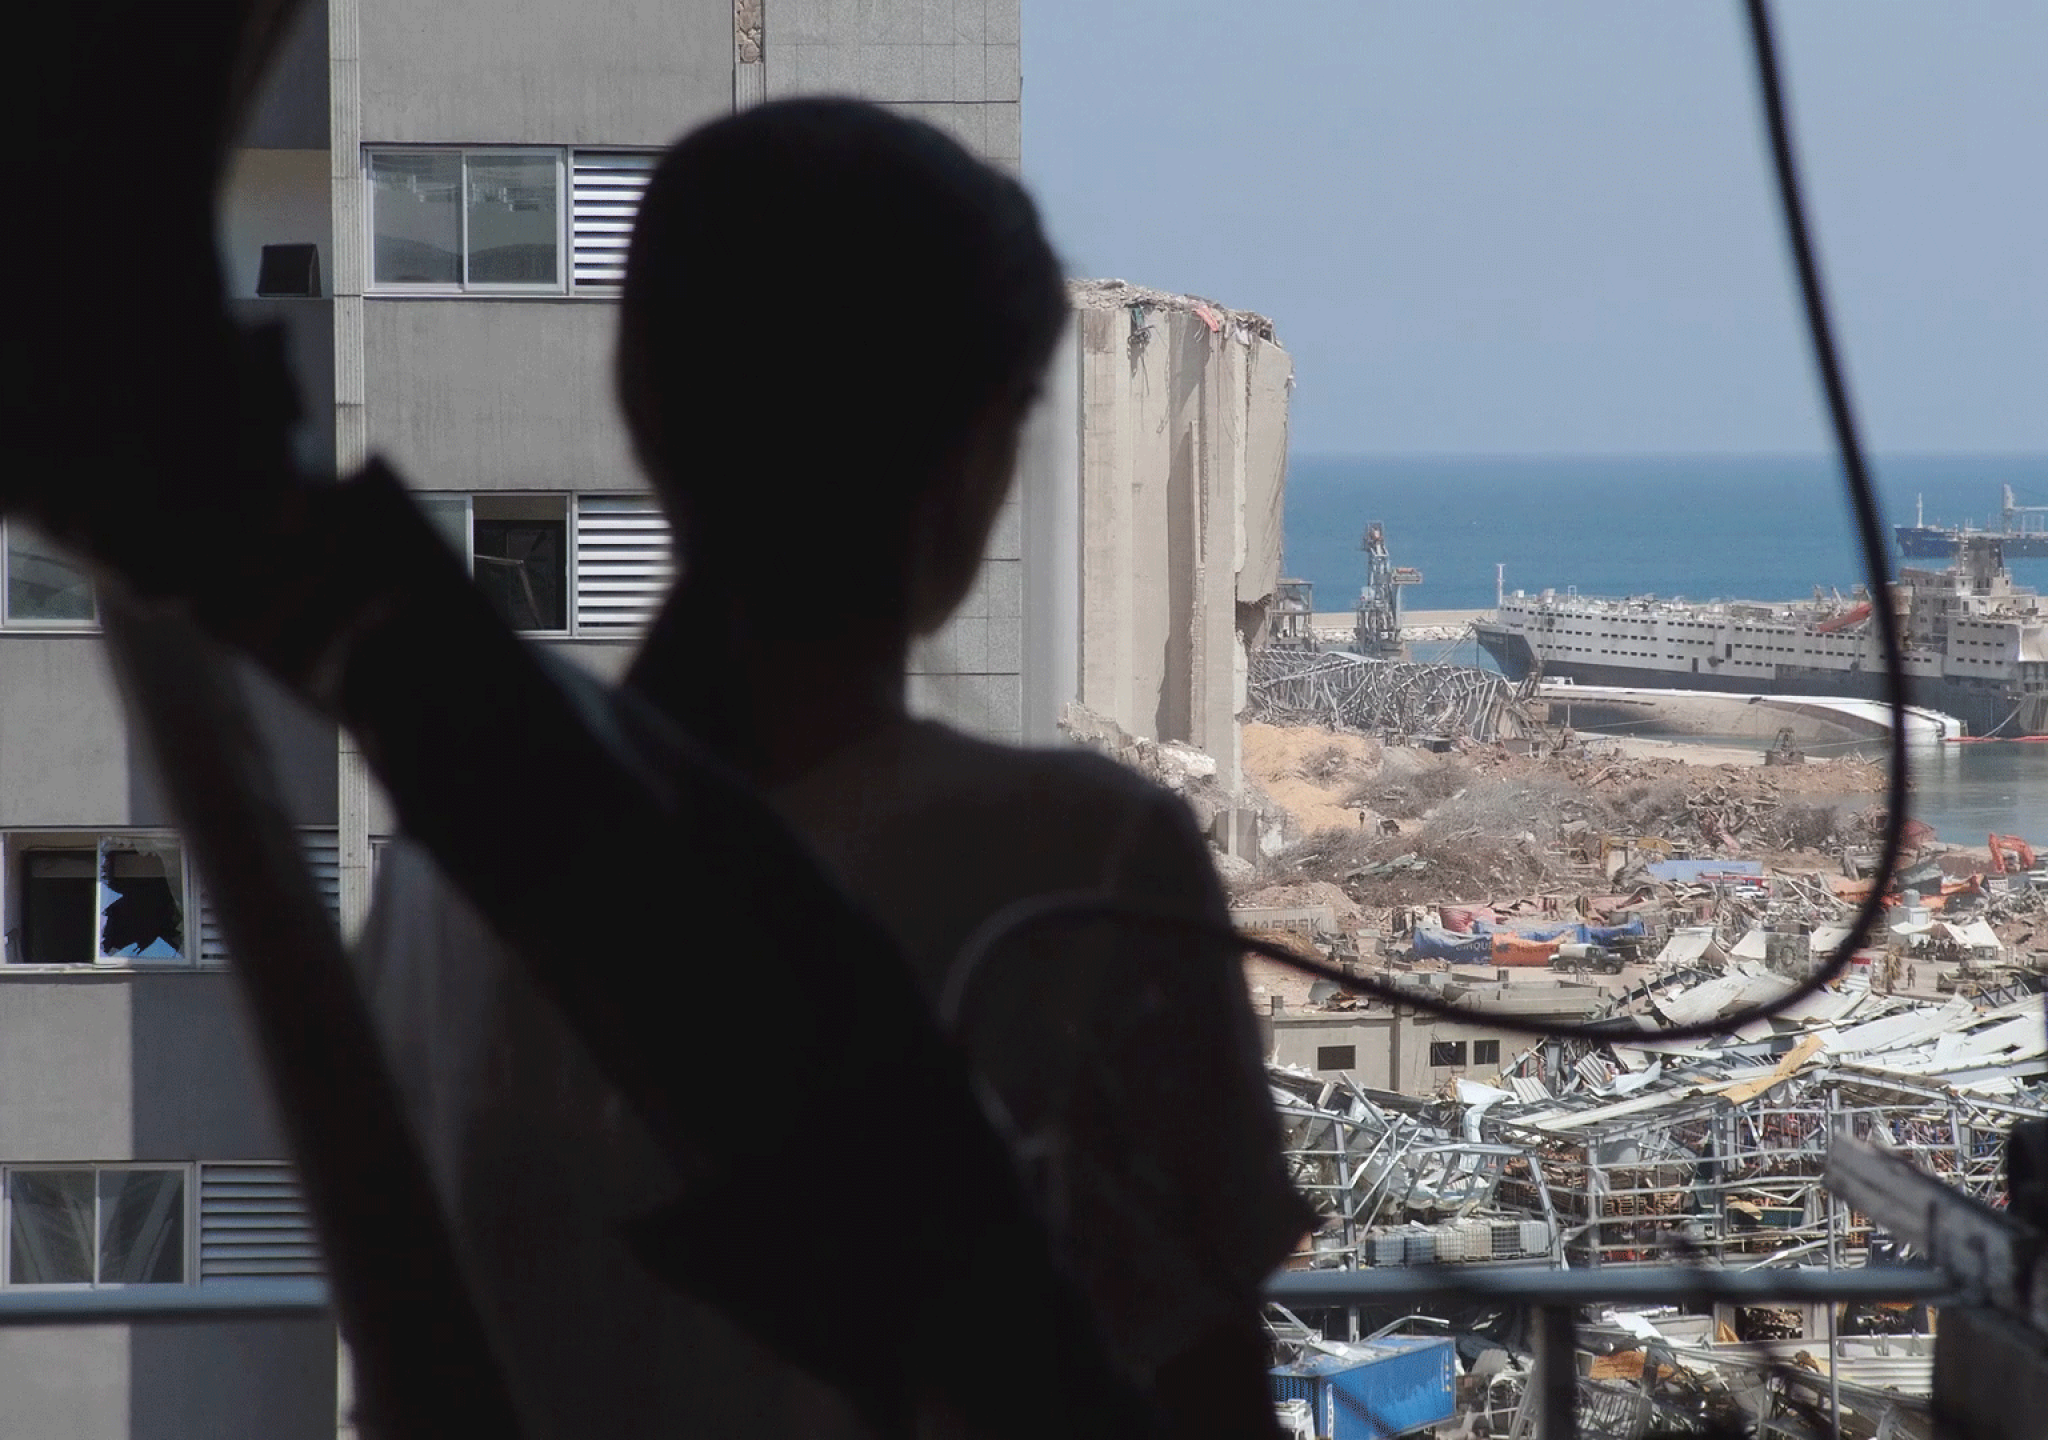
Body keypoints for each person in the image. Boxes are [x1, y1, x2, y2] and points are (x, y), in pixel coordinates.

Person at [14, 84, 1308, 1438]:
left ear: (644, 407)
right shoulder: (1082, 864)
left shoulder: (440, 890)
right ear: (973, 453)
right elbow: (1202, 1398)